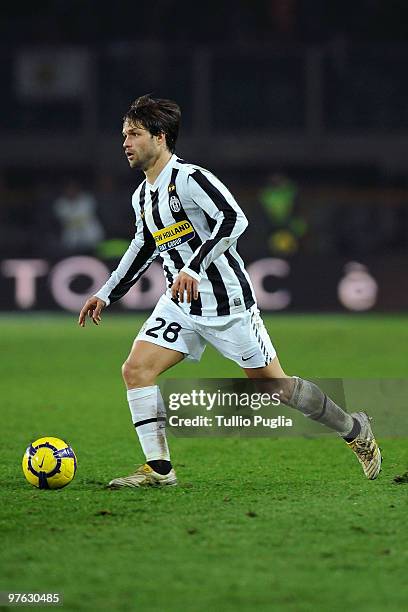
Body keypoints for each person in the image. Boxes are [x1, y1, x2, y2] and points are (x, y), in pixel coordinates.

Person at [78, 95, 381, 488]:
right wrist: (105, 293)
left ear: (160, 137)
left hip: (227, 303)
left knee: (274, 386)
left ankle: (353, 428)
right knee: (136, 370)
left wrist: (193, 265)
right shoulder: (142, 195)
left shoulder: (190, 179)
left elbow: (234, 219)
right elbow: (143, 247)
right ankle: (160, 470)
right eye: (124, 135)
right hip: (180, 304)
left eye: (134, 134)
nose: (125, 143)